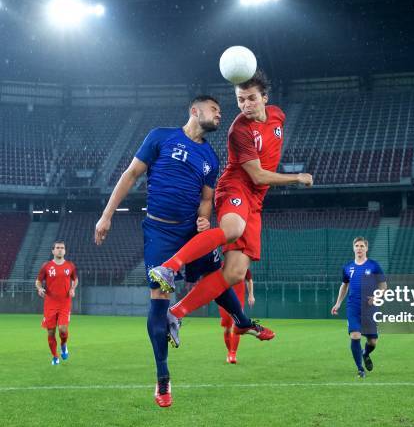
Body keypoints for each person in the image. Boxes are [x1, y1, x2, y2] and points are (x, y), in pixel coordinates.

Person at [95, 95, 257, 407]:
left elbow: (207, 199)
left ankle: (241, 319)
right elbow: (130, 174)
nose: (220, 114)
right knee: (159, 297)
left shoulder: (210, 157)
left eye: (221, 111)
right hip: (159, 232)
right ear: (195, 111)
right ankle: (163, 378)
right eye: (215, 109)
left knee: (215, 275)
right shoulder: (160, 137)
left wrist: (204, 218)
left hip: (189, 233)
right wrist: (106, 215)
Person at [148, 70, 313, 346]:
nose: (246, 105)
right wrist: (297, 177)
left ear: (265, 98)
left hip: (257, 201)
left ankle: (175, 313)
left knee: (235, 273)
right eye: (240, 100)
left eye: (251, 98)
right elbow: (258, 176)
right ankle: (170, 266)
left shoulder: (278, 116)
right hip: (236, 186)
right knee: (232, 229)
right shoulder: (239, 130)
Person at [331, 237, 386, 378]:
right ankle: (360, 369)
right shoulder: (348, 267)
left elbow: (383, 286)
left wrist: (376, 297)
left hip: (370, 307)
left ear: (366, 248)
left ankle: (365, 353)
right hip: (353, 306)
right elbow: (344, 286)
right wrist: (338, 303)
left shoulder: (374, 265)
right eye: (357, 245)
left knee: (372, 342)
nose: (359, 248)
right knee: (355, 335)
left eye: (362, 246)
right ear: (353, 248)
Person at [35, 241, 78, 365]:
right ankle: (55, 356)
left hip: (65, 303)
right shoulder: (46, 266)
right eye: (57, 248)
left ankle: (63, 345)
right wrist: (39, 288)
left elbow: (75, 279)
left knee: (63, 329)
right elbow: (38, 281)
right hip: (50, 304)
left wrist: (73, 288)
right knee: (51, 332)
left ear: (65, 251)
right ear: (53, 251)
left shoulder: (70, 266)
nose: (60, 250)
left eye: (62, 248)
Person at [220, 268, 255, 364]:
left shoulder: (243, 266)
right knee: (227, 329)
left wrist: (251, 295)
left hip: (238, 300)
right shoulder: (222, 266)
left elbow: (249, 280)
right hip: (224, 299)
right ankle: (229, 352)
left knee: (236, 325)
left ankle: (233, 354)